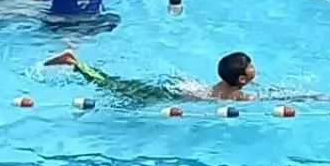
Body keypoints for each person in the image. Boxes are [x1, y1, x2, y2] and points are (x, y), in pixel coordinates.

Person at [45, 48, 259, 106]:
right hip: (166, 98)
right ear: (241, 79)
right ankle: (74, 63)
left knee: (115, 84)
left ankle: (79, 64)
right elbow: (269, 98)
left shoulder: (223, 86)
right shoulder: (236, 96)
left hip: (174, 91)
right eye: (250, 66)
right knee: (112, 87)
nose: (254, 67)